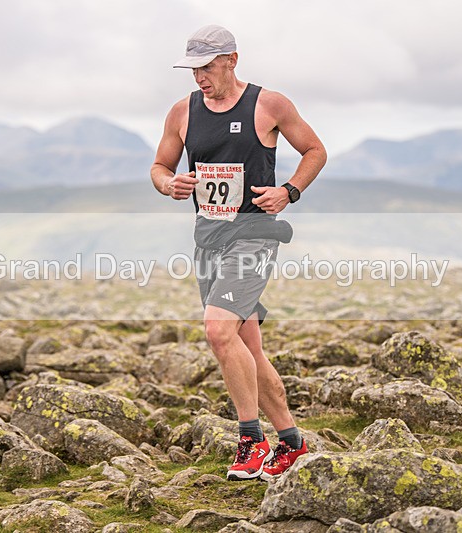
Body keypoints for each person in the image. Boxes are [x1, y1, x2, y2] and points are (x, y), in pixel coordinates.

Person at [150, 25, 326, 481]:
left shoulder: (269, 104)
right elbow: (160, 166)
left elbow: (314, 150)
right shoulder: (182, 112)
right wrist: (171, 184)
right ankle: (292, 443)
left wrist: (289, 191)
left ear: (231, 59)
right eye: (193, 69)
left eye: (207, 67)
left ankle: (251, 439)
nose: (199, 78)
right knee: (247, 344)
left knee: (217, 329)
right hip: (208, 236)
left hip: (254, 233)